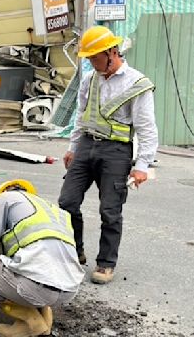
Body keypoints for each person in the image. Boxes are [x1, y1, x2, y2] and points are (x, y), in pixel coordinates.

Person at [58, 25, 158, 284]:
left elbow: (146, 127)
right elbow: (81, 117)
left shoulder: (137, 83)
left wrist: (143, 165)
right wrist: (72, 148)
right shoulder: (89, 79)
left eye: (95, 57)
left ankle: (105, 263)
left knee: (110, 210)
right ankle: (74, 250)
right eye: (89, 59)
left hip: (116, 151)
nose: (91, 63)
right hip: (86, 146)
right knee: (67, 202)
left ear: (112, 52)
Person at [0, 179, 84, 337]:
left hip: (37, 287)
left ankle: (30, 322)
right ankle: (45, 320)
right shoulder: (56, 212)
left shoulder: (4, 199)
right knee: (35, 268)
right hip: (70, 289)